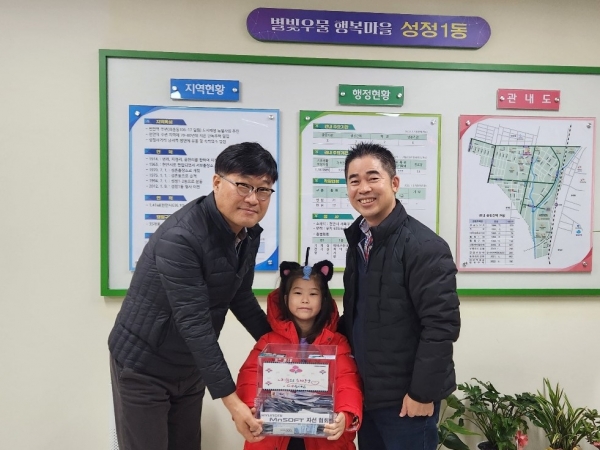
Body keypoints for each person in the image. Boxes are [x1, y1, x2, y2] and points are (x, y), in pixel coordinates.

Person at [108, 142, 278, 450]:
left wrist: (281, 348)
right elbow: (195, 323)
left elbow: (240, 297)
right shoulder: (181, 238)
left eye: (263, 189)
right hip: (143, 366)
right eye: (243, 185)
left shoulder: (246, 233)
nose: (253, 198)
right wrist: (234, 404)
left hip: (189, 365)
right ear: (217, 182)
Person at [339, 142, 461, 450]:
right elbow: (358, 314)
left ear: (394, 183)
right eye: (354, 180)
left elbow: (441, 325)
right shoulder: (360, 241)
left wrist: (422, 393)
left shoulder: (424, 246)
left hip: (408, 402)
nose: (363, 188)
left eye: (373, 178)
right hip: (368, 395)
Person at [236, 256, 363, 450]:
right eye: (297, 293)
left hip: (324, 438)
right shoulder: (268, 341)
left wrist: (345, 415)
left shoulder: (337, 342)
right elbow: (250, 378)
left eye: (313, 293)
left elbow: (347, 382)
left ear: (324, 299)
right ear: (285, 298)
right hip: (274, 437)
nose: (305, 299)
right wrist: (251, 409)